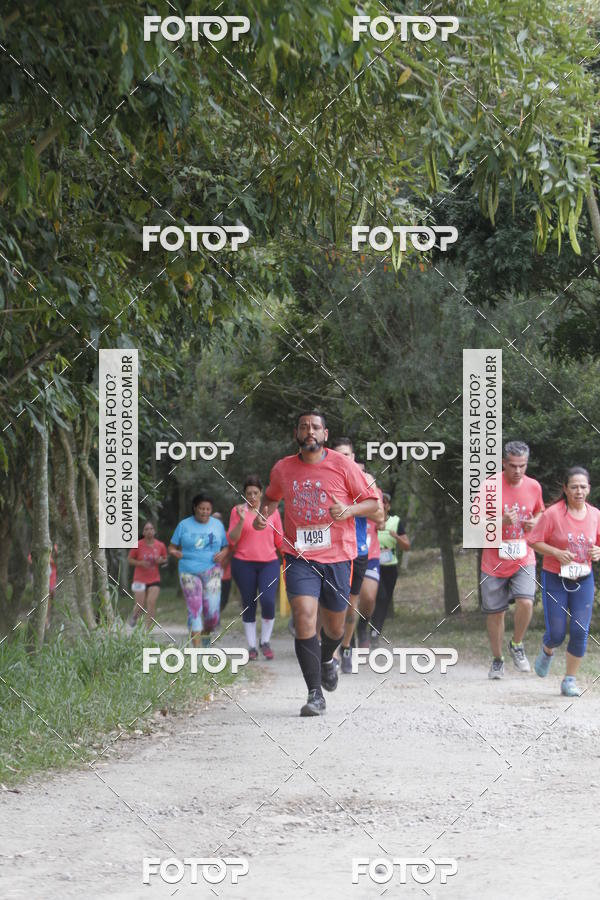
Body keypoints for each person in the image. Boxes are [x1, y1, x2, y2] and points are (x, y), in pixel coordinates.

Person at [254, 411, 379, 716]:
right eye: (304, 427)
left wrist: (348, 511)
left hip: (338, 556)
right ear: (296, 433)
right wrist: (263, 515)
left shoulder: (342, 464)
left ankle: (326, 659)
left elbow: (373, 503)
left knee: (335, 628)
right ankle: (315, 694)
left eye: (315, 427)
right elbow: (271, 498)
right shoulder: (283, 468)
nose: (309, 431)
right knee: (303, 617)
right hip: (299, 556)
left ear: (325, 434)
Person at [527, 467, 600, 697]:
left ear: (589, 489)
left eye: (583, 486)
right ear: (566, 489)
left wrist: (598, 552)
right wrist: (556, 553)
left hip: (583, 579)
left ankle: (569, 680)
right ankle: (548, 650)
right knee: (557, 634)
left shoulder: (596, 515)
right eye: (574, 487)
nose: (579, 491)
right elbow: (534, 540)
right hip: (555, 577)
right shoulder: (553, 514)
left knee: (580, 630)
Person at [481, 441, 545, 679]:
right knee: (496, 614)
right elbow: (474, 524)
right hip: (494, 559)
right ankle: (497, 660)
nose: (518, 471)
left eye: (522, 466)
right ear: (503, 463)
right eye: (513, 466)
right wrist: (500, 522)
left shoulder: (534, 486)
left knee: (526, 602)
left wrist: (536, 522)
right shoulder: (489, 487)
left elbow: (540, 511)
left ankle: (517, 644)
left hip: (523, 555)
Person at [330, 439, 383, 673]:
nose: (344, 460)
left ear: (354, 457)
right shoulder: (326, 480)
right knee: (330, 604)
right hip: (329, 551)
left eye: (347, 455)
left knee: (351, 607)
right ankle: (329, 654)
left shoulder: (365, 481)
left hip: (357, 551)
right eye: (339, 455)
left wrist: (352, 507)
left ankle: (347, 648)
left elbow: (379, 516)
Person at [228, 475, 283, 660]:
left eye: (255, 493)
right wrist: (242, 520)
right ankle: (252, 646)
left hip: (269, 563)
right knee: (249, 603)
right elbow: (232, 539)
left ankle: (265, 641)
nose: (251, 496)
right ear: (244, 494)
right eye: (248, 493)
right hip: (243, 563)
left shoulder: (272, 511)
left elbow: (279, 540)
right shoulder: (237, 511)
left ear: (261, 492)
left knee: (268, 601)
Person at [168, 494, 229, 647]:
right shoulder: (184, 525)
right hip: (189, 571)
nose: (204, 512)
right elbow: (172, 547)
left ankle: (205, 637)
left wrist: (223, 553)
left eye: (208, 509)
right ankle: (197, 652)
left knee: (212, 615)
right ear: (195, 508)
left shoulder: (217, 525)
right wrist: (175, 553)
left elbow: (226, 547)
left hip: (212, 571)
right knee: (195, 609)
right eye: (201, 508)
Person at [369, 493, 410, 641]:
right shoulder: (370, 521)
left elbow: (407, 546)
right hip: (373, 565)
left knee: (385, 601)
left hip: (390, 567)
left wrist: (396, 537)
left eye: (385, 502)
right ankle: (369, 628)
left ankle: (375, 632)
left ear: (389, 506)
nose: (383, 504)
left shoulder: (395, 522)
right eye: (381, 502)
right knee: (378, 596)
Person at [127, 522, 168, 629]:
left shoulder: (160, 545)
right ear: (143, 532)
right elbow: (130, 560)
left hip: (154, 579)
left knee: (151, 602)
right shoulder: (138, 545)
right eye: (146, 529)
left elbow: (165, 560)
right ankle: (135, 616)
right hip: (139, 579)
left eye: (151, 528)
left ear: (154, 531)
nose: (149, 531)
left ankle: (147, 630)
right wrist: (140, 563)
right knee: (139, 606)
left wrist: (161, 561)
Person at [213, 513, 232, 612]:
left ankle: (218, 611)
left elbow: (231, 549)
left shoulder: (227, 535)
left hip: (225, 573)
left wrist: (226, 560)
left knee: (224, 598)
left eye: (218, 519)